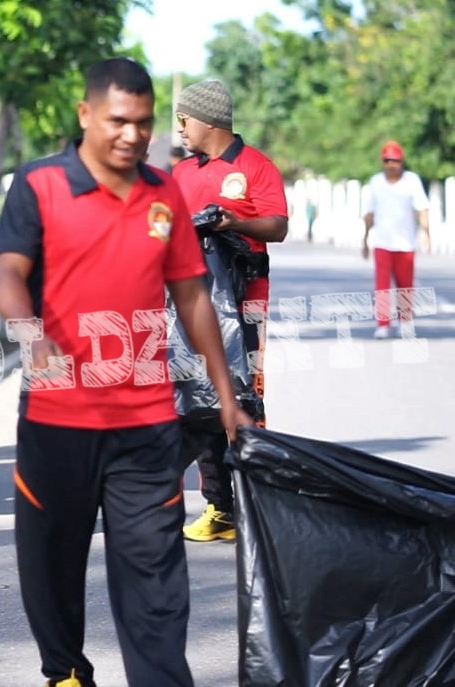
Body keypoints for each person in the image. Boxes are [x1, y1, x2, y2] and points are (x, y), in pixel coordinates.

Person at [0, 57, 252, 687]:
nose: (132, 135)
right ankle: (66, 672)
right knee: (52, 569)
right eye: (118, 121)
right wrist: (30, 335)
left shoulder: (163, 192)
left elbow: (192, 296)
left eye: (143, 122)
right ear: (86, 115)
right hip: (59, 421)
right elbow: (8, 275)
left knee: (156, 582)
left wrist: (225, 394)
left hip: (146, 424)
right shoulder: (40, 185)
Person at [171, 79, 288, 543]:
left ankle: (258, 509)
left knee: (244, 398)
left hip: (245, 301)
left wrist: (232, 221)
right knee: (198, 397)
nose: (179, 129)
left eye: (183, 120)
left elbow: (277, 226)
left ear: (208, 121)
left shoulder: (256, 167)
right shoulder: (180, 174)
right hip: (191, 303)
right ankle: (220, 509)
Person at [362, 140, 430, 339]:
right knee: (382, 286)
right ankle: (382, 324)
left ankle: (405, 321)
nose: (392, 165)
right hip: (382, 242)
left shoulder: (412, 181)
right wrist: (365, 239)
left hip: (405, 243)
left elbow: (422, 208)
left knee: (405, 284)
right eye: (388, 161)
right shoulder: (375, 182)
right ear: (383, 162)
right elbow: (369, 213)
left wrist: (427, 233)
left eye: (395, 161)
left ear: (402, 162)